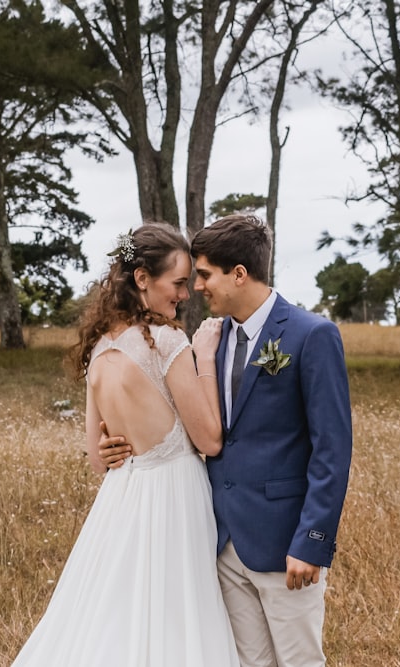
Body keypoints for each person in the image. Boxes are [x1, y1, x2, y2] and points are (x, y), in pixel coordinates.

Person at [101, 215, 352, 667]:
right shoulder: (209, 341)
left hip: (284, 545)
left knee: (300, 661)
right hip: (220, 543)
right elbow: (188, 424)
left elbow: (332, 451)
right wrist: (115, 445)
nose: (196, 287)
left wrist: (312, 541)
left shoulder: (311, 335)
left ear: (239, 273)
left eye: (204, 274)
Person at [11, 222, 239, 667]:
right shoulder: (169, 343)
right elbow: (210, 440)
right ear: (142, 279)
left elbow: (99, 458)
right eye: (177, 282)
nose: (185, 293)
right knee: (175, 617)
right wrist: (206, 357)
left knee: (115, 614)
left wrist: (118, 449)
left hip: (123, 498)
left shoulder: (99, 350)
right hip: (173, 500)